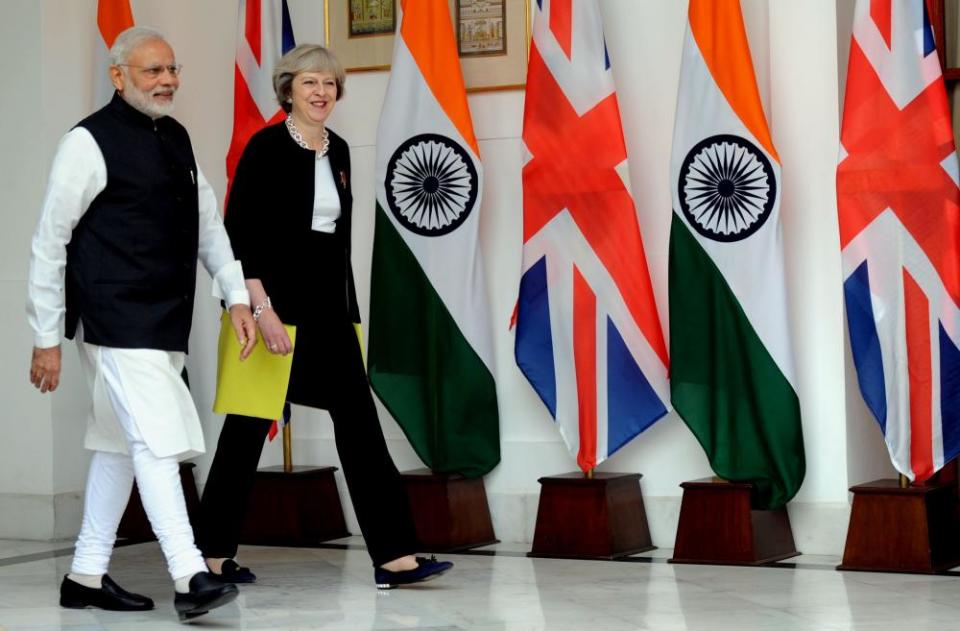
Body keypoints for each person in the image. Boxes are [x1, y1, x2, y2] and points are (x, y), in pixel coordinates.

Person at [196, 44, 452, 589]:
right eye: (310, 83)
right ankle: (213, 556)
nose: (321, 93)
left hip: (328, 312)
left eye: (330, 84)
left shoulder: (338, 150)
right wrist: (261, 310)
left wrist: (347, 310)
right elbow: (239, 239)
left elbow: (334, 243)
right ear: (288, 89)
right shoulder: (264, 148)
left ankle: (394, 557)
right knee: (243, 431)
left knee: (360, 427)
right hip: (270, 307)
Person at [26, 27, 256, 621]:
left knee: (118, 448)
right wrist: (45, 336)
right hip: (116, 319)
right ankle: (189, 574)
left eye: (172, 69)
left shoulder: (176, 137)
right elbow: (49, 243)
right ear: (118, 75)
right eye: (153, 71)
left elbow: (209, 224)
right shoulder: (86, 142)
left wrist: (236, 297)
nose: (168, 81)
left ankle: (84, 574)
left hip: (165, 320)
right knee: (158, 440)